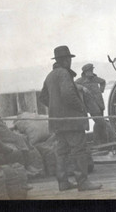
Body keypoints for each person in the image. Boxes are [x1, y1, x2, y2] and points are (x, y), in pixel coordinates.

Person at [39, 45, 102, 191]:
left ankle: (63, 182)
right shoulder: (64, 74)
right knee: (79, 150)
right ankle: (83, 182)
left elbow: (42, 97)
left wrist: (56, 108)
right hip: (72, 121)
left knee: (61, 151)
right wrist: (81, 108)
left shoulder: (50, 75)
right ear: (66, 60)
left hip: (57, 122)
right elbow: (68, 94)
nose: (70, 62)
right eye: (68, 59)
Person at [75, 63, 108, 144]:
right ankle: (99, 141)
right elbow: (74, 85)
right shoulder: (80, 81)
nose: (90, 72)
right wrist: (82, 88)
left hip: (99, 103)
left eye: (91, 70)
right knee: (100, 122)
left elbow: (103, 82)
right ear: (85, 72)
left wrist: (101, 90)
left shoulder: (95, 78)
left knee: (99, 122)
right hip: (91, 105)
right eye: (89, 71)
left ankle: (100, 141)